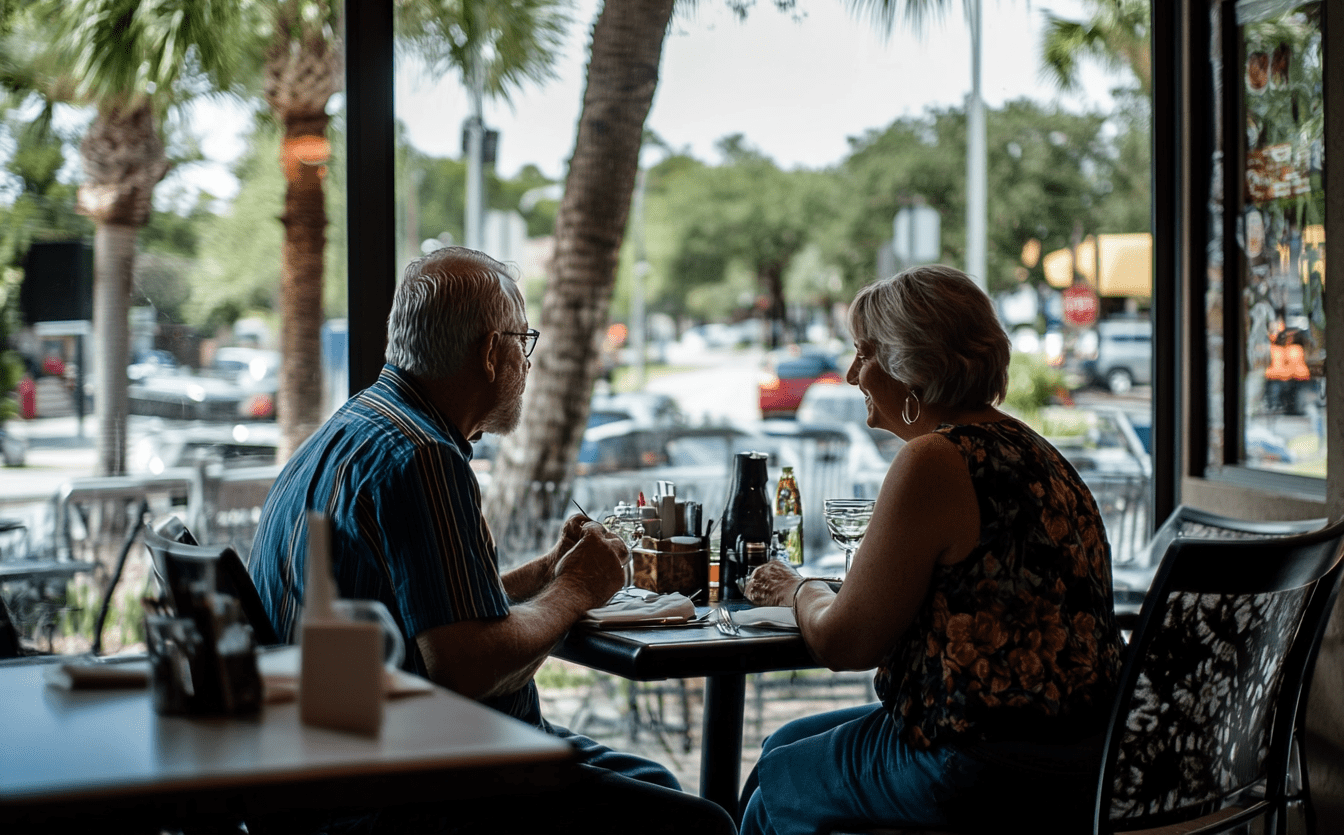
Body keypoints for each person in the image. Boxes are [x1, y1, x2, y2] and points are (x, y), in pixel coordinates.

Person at [249, 246, 734, 835]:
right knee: (700, 824)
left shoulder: (359, 425)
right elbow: (466, 667)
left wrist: (552, 568)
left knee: (655, 785)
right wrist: (577, 589)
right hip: (412, 786)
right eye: (524, 343)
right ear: (489, 353)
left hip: (331, 771)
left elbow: (438, 614)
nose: (527, 366)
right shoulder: (424, 458)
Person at [738, 265, 1127, 835]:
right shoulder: (1037, 452)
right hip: (1083, 756)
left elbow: (847, 641)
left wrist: (799, 588)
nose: (850, 375)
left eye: (864, 354)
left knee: (778, 780)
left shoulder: (937, 460)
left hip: (982, 763)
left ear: (911, 365)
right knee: (786, 741)